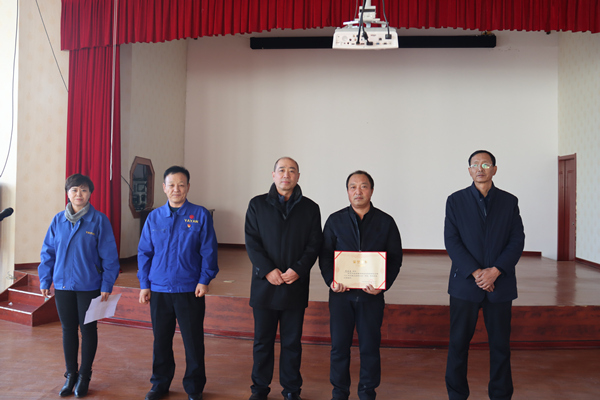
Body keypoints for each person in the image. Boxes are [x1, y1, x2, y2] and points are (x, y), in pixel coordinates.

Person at [444, 150, 525, 400]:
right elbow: (452, 241)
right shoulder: (455, 200)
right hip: (465, 284)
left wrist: (496, 271)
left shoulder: (509, 201)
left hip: (500, 284)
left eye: (486, 164)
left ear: (494, 169)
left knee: (500, 346)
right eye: (475, 165)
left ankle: (500, 395)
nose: (480, 168)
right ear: (469, 170)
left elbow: (517, 240)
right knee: (458, 344)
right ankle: (457, 394)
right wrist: (478, 273)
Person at [319, 170, 402, 400]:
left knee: (370, 347)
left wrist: (383, 285)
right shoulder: (335, 220)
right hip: (341, 296)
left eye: (363, 186)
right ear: (347, 191)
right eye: (353, 187)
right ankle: (339, 392)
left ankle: (367, 392)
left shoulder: (386, 222)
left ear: (371, 191)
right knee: (339, 348)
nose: (358, 191)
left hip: (371, 297)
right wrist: (331, 280)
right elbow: (325, 255)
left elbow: (395, 258)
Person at [245, 157, 323, 400]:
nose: (286, 175)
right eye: (281, 170)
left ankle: (291, 389)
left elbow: (314, 244)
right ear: (273, 175)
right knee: (262, 342)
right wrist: (268, 270)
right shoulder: (257, 204)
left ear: (298, 176)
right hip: (264, 285)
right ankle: (260, 389)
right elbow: (252, 242)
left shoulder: (310, 208)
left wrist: (298, 269)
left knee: (292, 343)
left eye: (291, 171)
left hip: (294, 284)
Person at [138, 166, 219, 400]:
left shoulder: (200, 215)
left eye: (181, 185)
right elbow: (144, 252)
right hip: (159, 289)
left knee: (193, 341)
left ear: (188, 187)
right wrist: (144, 284)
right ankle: (159, 384)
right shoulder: (154, 217)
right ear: (164, 188)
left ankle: (194, 387)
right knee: (161, 340)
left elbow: (209, 251)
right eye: (171, 185)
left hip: (189, 289)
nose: (176, 189)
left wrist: (204, 279)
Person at [38, 174, 120, 398]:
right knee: (68, 330)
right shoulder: (58, 220)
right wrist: (45, 279)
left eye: (83, 190)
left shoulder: (99, 220)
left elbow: (110, 256)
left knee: (88, 330)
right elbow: (48, 253)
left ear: (90, 193)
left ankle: (84, 375)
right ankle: (70, 375)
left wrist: (107, 283)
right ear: (67, 193)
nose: (79, 194)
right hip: (63, 285)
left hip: (89, 285)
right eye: (74, 190)